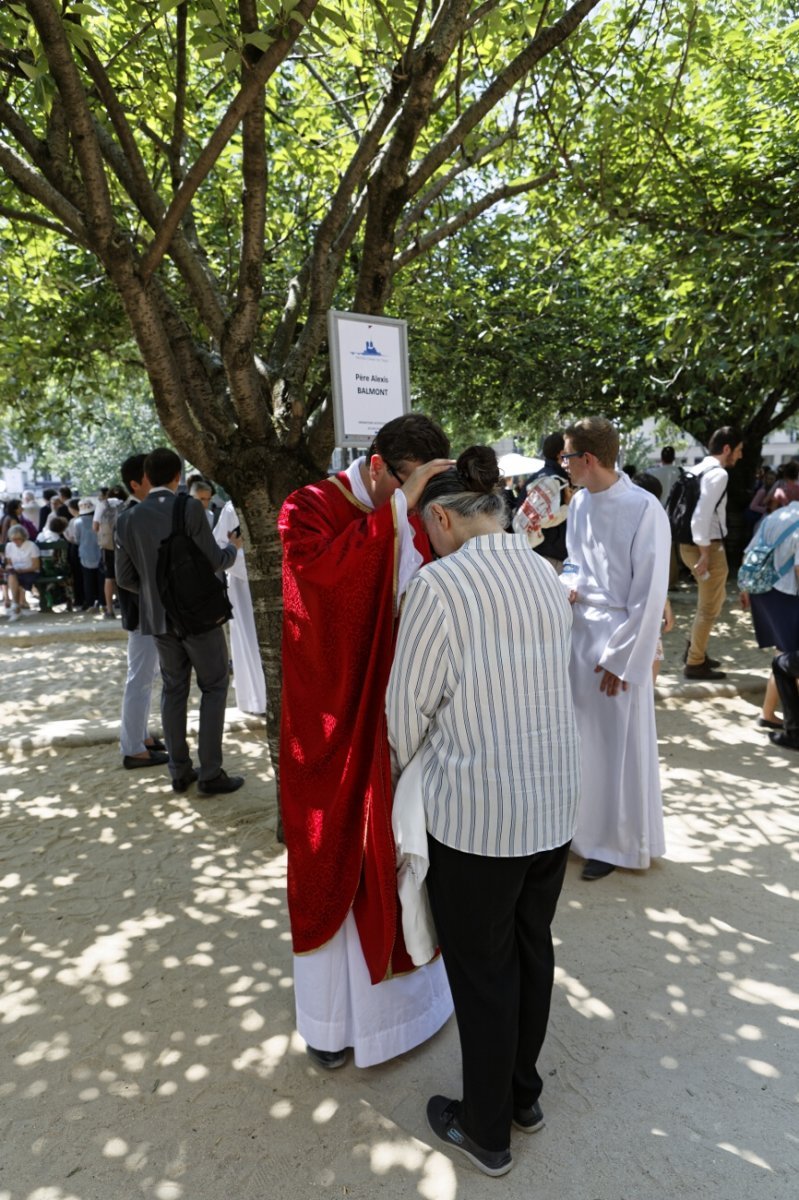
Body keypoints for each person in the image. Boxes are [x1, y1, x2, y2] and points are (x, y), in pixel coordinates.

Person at [386, 446, 580, 1178]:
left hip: (476, 810)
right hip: (551, 798)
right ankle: (521, 1095)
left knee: (482, 969)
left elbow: (406, 711)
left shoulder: (439, 587)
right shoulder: (540, 570)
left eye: (420, 526)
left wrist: (406, 774)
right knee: (532, 947)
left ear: (440, 516)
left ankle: (485, 1127)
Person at [278, 413, 455, 1070]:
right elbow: (313, 598)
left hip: (399, 715)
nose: (412, 501)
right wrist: (392, 518)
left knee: (406, 852)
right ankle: (332, 1023)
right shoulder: (309, 506)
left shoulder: (407, 508)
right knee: (335, 858)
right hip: (332, 717)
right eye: (406, 485)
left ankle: (409, 1014)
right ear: (378, 466)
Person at [562, 416, 670, 881]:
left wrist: (625, 657)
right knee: (582, 743)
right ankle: (581, 832)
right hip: (579, 633)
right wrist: (569, 583)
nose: (561, 464)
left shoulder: (644, 508)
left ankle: (618, 844)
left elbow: (649, 594)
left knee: (619, 747)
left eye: (567, 456)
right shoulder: (581, 502)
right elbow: (573, 560)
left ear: (588, 459)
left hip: (620, 637)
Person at [115, 447, 244, 795]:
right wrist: (233, 548)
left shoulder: (126, 518)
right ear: (177, 476)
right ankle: (211, 772)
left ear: (147, 476)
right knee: (214, 687)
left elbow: (125, 577)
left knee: (173, 690)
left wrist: (156, 592)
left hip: (157, 619)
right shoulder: (188, 506)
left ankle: (178, 769)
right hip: (198, 615)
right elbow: (214, 559)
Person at [116, 454, 169, 771]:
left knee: (146, 677)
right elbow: (127, 576)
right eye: (151, 476)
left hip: (145, 608)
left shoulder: (135, 513)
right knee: (140, 679)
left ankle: (140, 738)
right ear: (136, 484)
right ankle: (133, 747)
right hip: (144, 610)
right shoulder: (133, 515)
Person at [679, 426, 744, 680]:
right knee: (709, 607)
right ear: (727, 449)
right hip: (707, 548)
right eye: (738, 451)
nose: (739, 456)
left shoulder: (696, 469)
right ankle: (695, 662)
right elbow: (701, 516)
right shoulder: (718, 474)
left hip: (689, 546)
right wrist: (705, 553)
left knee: (711, 602)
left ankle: (696, 650)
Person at [739, 499, 799, 747]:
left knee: (783, 656)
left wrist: (743, 587)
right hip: (785, 593)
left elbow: (750, 550)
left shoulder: (779, 515)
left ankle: (768, 714)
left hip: (762, 590)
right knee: (790, 657)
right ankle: (785, 722)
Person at [212, 501, 267, 714]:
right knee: (248, 639)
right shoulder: (231, 507)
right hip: (242, 584)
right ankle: (256, 700)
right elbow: (220, 545)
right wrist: (251, 568)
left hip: (276, 580)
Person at [4, 524, 41, 621]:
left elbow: (35, 566)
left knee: (15, 579)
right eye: (13, 539)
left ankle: (15, 607)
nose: (15, 541)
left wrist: (22, 570)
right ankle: (16, 606)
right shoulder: (9, 546)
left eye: (18, 539)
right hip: (15, 572)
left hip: (29, 571)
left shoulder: (31, 546)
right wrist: (9, 567)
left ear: (23, 537)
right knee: (12, 575)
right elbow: (9, 564)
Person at [74, 498, 104, 610]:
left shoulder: (77, 522)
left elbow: (77, 539)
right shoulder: (99, 520)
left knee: (88, 580)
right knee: (101, 579)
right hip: (100, 553)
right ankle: (103, 602)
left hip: (85, 554)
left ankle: (90, 602)